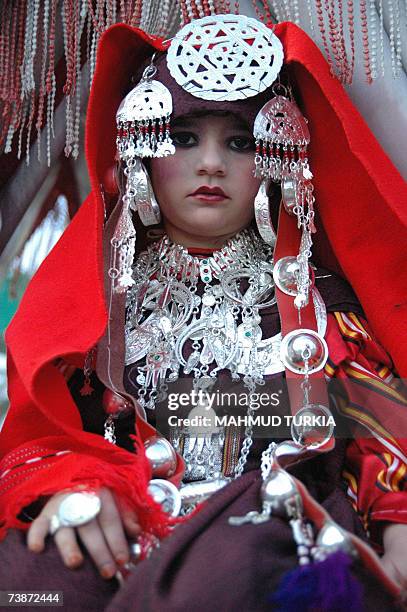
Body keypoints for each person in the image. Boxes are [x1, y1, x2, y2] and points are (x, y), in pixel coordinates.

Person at [1, 13, 407, 611]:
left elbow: (380, 431)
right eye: (184, 138)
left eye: (240, 142)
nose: (211, 164)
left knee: (225, 578)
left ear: (277, 158)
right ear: (139, 154)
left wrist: (398, 528)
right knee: (31, 582)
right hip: (132, 532)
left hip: (267, 531)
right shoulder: (104, 301)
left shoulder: (312, 300)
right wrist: (71, 489)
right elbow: (53, 435)